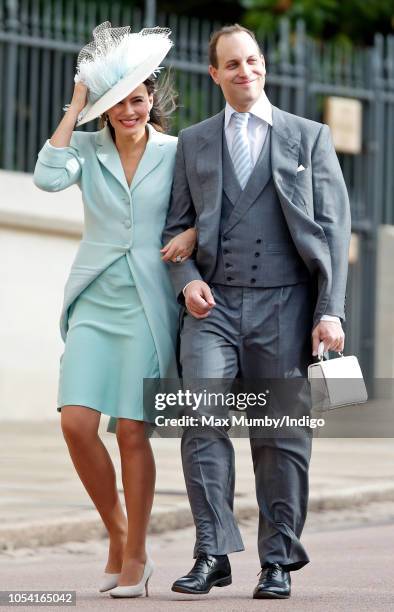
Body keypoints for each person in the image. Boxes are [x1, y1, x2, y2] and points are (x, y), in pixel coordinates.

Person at [163, 24, 351, 599]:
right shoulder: (194, 142)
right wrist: (186, 280)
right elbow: (174, 230)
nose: (246, 71)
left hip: (286, 305)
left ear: (262, 66)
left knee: (280, 436)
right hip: (212, 307)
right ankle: (211, 551)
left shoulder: (308, 137)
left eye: (253, 61)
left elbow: (334, 230)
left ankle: (276, 560)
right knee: (200, 421)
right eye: (233, 64)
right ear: (215, 74)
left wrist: (330, 310)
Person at [33, 22, 196, 599]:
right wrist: (78, 104)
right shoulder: (84, 148)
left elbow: (209, 206)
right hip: (96, 302)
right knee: (76, 423)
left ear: (152, 100)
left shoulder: (179, 152)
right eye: (118, 102)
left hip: (150, 304)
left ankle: (135, 554)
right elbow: (46, 177)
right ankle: (117, 529)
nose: (129, 111)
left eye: (138, 99)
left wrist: (193, 235)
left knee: (131, 430)